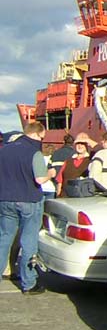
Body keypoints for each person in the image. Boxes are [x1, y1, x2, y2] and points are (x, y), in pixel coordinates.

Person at [0, 121, 56, 294]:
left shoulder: (4, 150)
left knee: (4, 238)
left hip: (5, 199)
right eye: (42, 137)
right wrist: (51, 173)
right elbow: (40, 179)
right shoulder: (34, 153)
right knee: (28, 240)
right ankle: (29, 282)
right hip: (29, 200)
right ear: (36, 134)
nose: (41, 140)